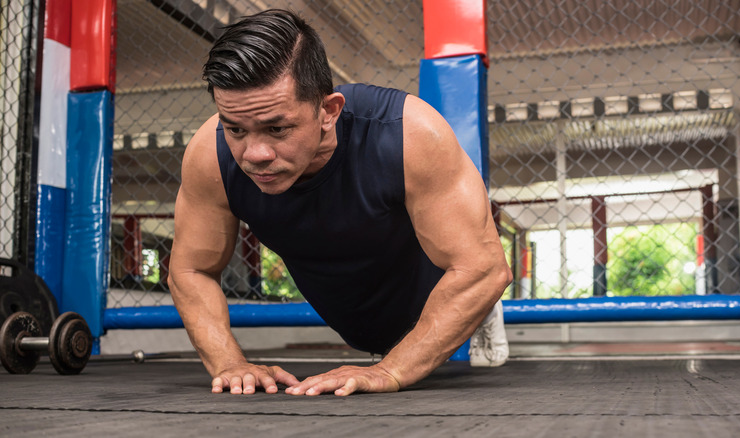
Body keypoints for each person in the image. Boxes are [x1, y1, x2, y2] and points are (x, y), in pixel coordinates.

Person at [167, 9, 512, 397]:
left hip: (434, 292)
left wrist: (391, 370)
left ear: (328, 111)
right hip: (355, 317)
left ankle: (481, 311)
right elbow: (191, 269)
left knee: (470, 257)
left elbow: (482, 267)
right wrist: (228, 363)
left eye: (277, 128)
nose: (255, 153)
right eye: (236, 129)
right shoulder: (209, 156)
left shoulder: (407, 134)